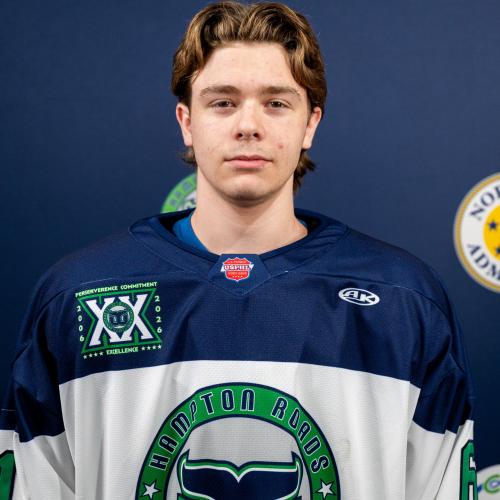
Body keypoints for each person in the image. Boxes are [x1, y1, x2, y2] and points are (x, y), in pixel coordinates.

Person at [0, 2, 477, 499]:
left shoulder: (403, 301)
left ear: (310, 124)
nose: (248, 125)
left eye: (276, 103)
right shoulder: (77, 295)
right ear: (187, 121)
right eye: (223, 102)